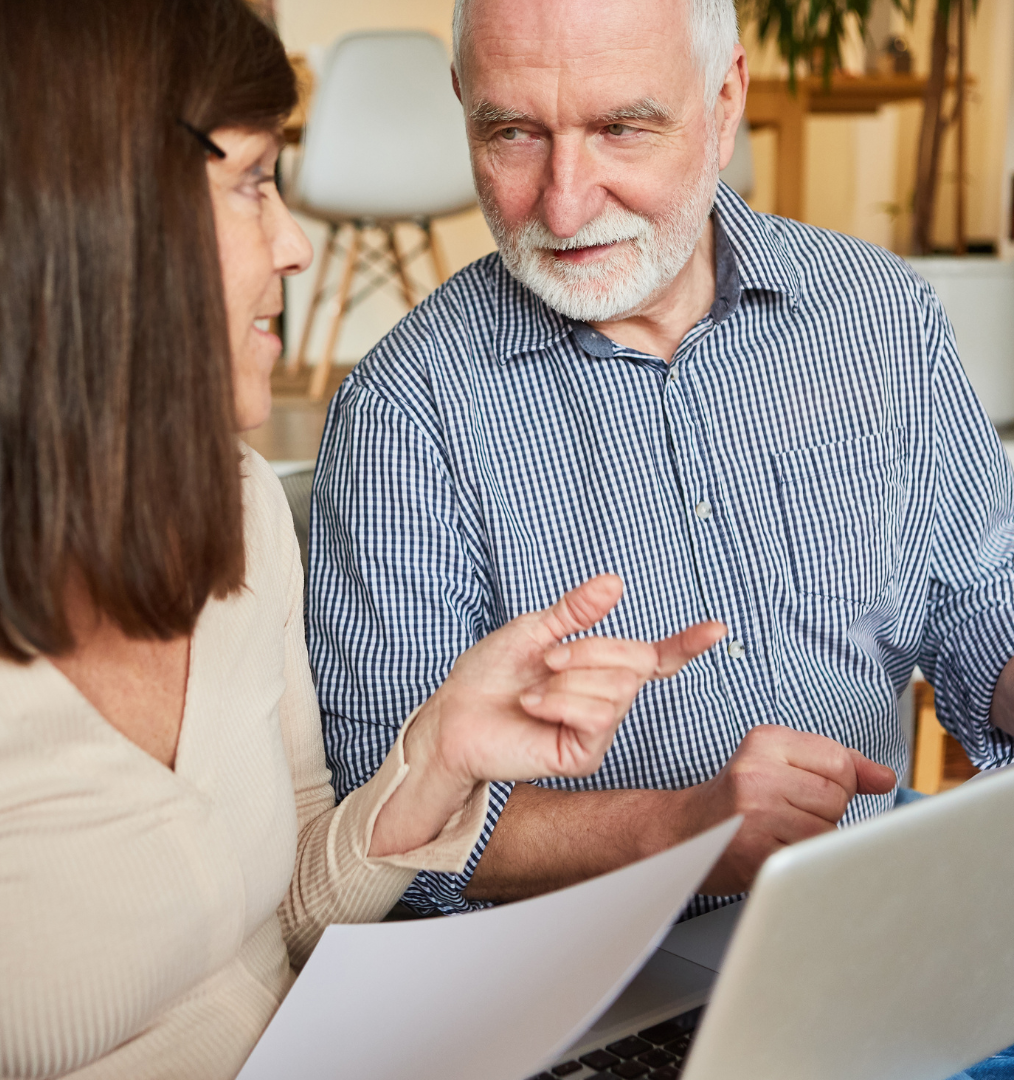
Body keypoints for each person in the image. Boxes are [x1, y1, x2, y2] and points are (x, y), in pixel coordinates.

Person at [306, 0, 1014, 1071]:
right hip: (578, 995)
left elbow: (970, 587)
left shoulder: (879, 316)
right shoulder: (406, 413)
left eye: (622, 127)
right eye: (511, 132)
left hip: (867, 926)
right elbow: (386, 829)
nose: (565, 202)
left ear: (724, 105)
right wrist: (688, 823)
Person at [0, 2, 722, 1077]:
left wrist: (437, 756)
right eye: (253, 184)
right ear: (100, 215)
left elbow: (286, 919)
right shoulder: (403, 403)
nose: (295, 245)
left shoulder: (235, 505)